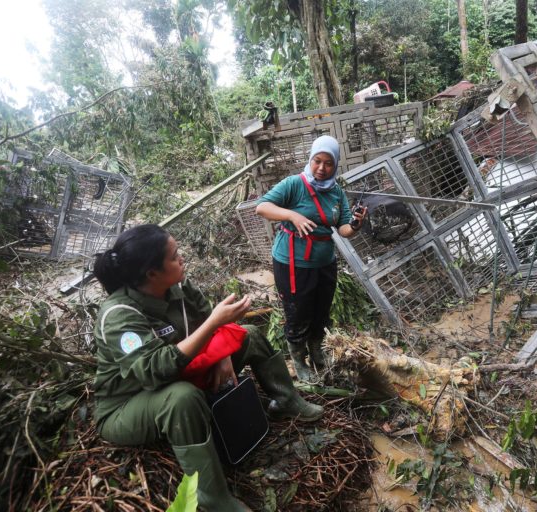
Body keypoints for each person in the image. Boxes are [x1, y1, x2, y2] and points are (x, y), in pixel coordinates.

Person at [92, 224, 324, 512]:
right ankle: (213, 497)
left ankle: (287, 400)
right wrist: (214, 325)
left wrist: (221, 354)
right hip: (129, 403)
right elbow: (153, 371)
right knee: (182, 397)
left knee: (248, 334)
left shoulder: (177, 287)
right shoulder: (120, 316)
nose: (182, 259)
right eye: (175, 256)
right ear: (152, 273)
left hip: (184, 371)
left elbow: (214, 324)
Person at [255, 135, 367, 381]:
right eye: (317, 161)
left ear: (335, 165)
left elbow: (344, 230)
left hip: (324, 262)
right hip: (292, 263)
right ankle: (299, 360)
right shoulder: (294, 184)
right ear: (311, 159)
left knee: (321, 312)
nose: (321, 168)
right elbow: (262, 207)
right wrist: (293, 216)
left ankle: (317, 352)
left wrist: (356, 224)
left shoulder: (336, 191)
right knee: (298, 313)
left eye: (328, 163)